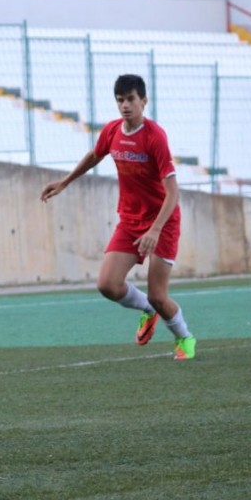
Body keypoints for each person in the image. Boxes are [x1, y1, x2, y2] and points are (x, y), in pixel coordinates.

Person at [41, 74, 196, 360]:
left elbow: (172, 193)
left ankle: (184, 338)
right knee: (107, 285)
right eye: (120, 100)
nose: (125, 105)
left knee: (159, 296)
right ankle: (148, 312)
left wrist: (155, 230)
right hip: (130, 220)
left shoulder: (155, 137)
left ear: (144, 101)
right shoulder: (113, 131)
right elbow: (95, 155)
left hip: (163, 222)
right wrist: (65, 181)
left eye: (131, 99)